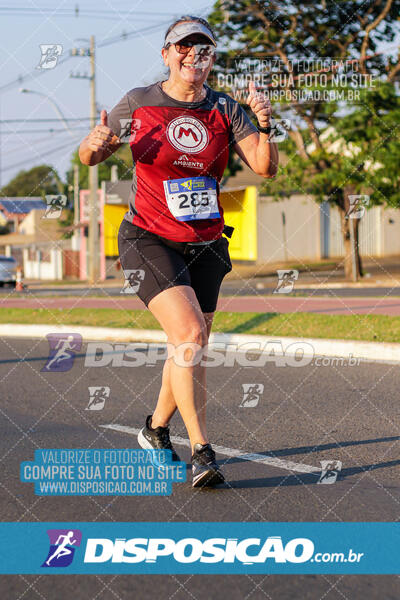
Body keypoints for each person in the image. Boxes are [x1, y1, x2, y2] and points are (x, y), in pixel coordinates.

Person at [79, 15, 279, 488]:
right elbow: (92, 155)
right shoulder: (139, 103)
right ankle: (202, 452)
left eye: (203, 48)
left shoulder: (226, 109)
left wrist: (265, 123)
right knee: (190, 334)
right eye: (184, 47)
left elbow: (265, 168)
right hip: (148, 236)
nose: (194, 55)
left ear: (212, 57)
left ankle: (153, 429)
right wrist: (92, 146)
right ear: (167, 54)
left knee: (189, 344)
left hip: (206, 241)